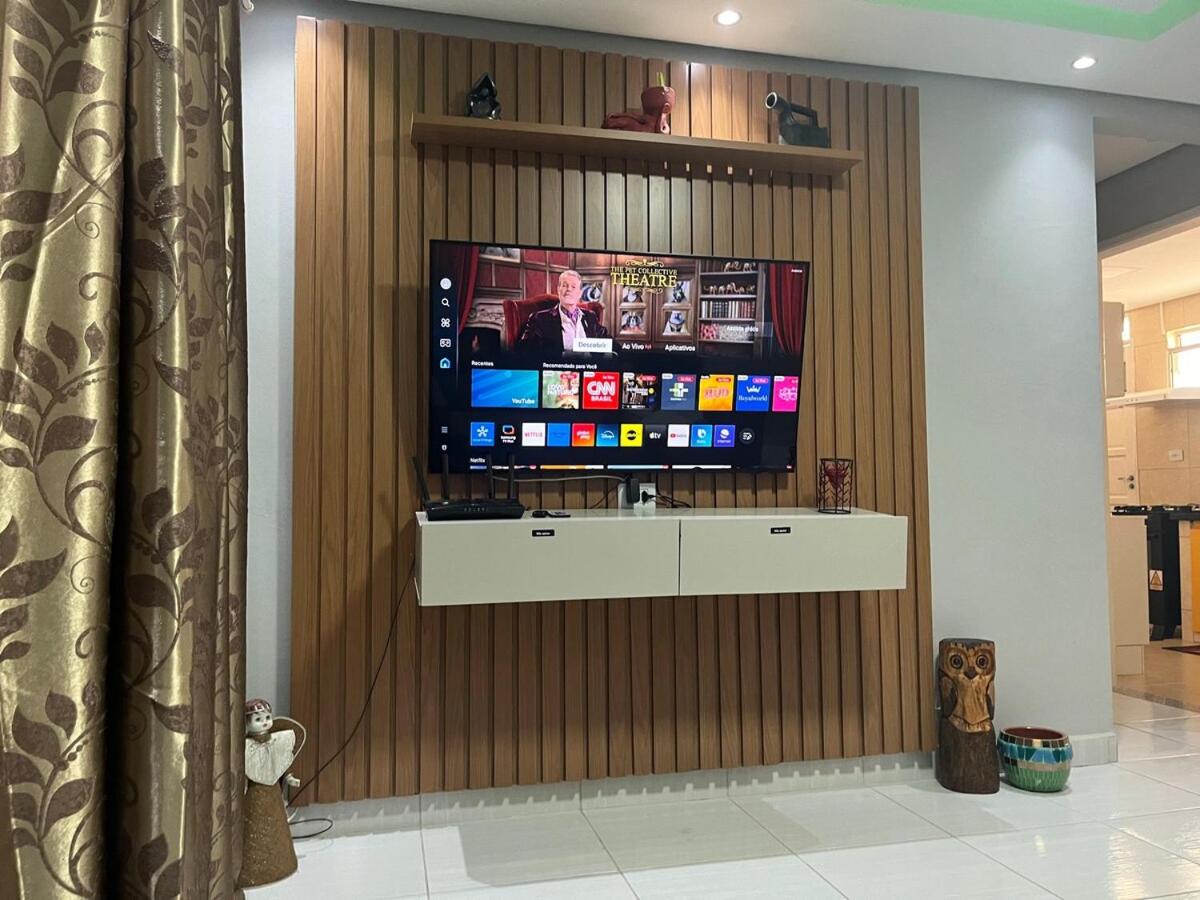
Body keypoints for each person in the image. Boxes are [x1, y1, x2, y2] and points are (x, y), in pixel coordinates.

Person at [517, 269, 609, 353]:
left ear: (580, 293)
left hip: (588, 365)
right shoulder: (540, 319)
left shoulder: (590, 317)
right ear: (558, 290)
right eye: (565, 285)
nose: (569, 289)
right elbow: (524, 350)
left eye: (573, 287)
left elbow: (607, 343)